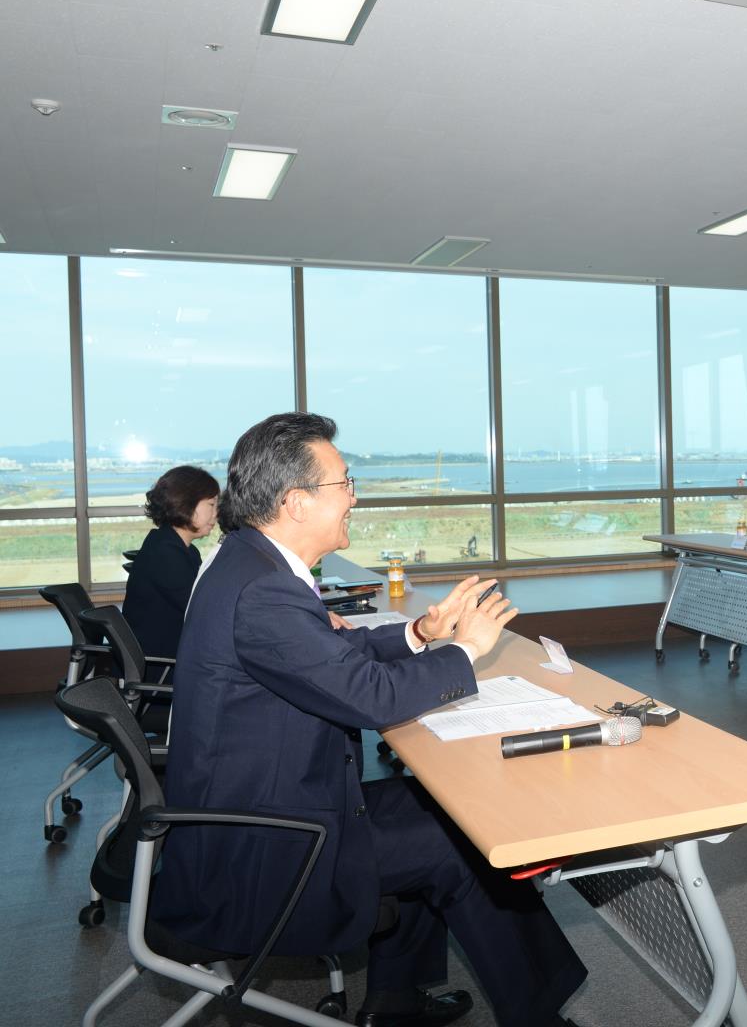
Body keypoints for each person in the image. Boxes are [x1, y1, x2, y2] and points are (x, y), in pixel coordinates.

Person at [154, 413, 586, 1027]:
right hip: (264, 848)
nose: (355, 497)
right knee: (465, 845)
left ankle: (394, 1001)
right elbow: (371, 698)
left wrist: (420, 633)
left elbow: (327, 656)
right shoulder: (263, 591)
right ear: (296, 502)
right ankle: (536, 1016)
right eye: (345, 483)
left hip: (270, 806)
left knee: (442, 808)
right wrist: (467, 649)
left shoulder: (250, 564)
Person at [122, 465, 219, 660]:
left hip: (174, 650)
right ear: (186, 504)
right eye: (211, 505)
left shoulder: (175, 547)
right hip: (162, 663)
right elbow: (202, 609)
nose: (216, 514)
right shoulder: (165, 554)